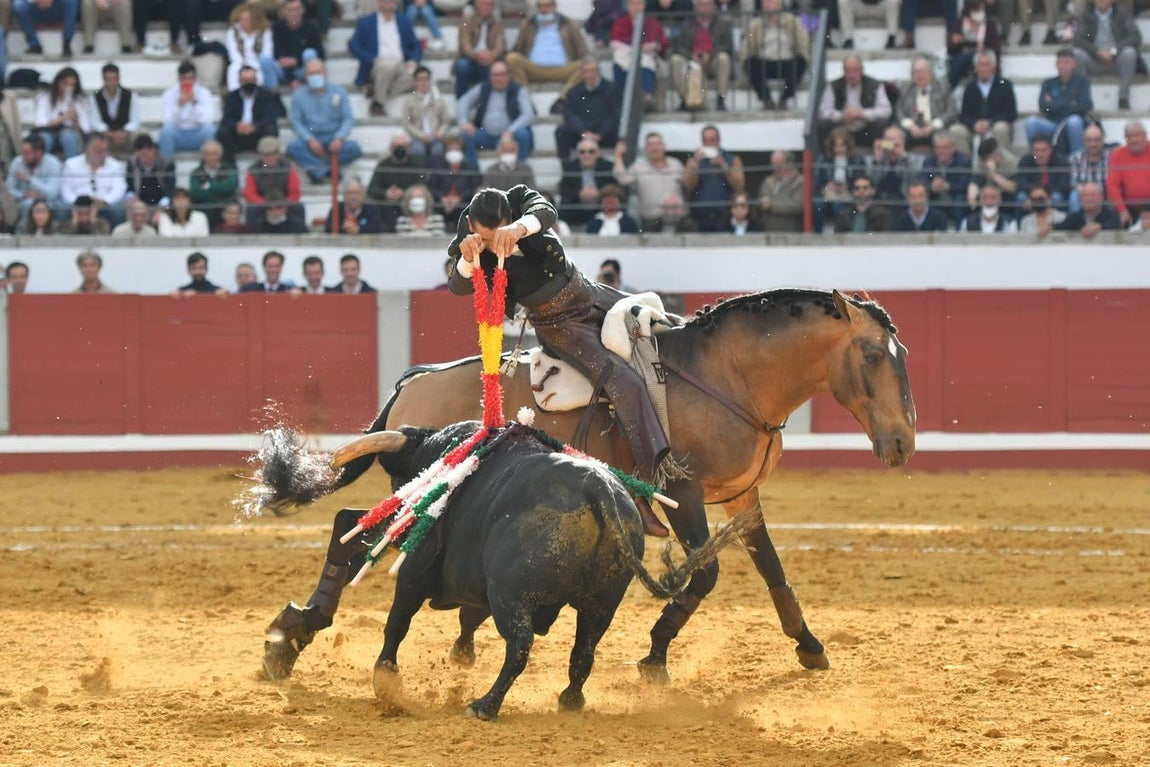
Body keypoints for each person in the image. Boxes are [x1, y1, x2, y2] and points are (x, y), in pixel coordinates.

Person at [446, 185, 676, 501]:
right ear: (472, 226)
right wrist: (468, 258)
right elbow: (457, 286)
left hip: (591, 293)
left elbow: (545, 212)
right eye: (486, 237)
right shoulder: (468, 238)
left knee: (668, 327)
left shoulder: (518, 201)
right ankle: (650, 481)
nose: (494, 243)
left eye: (500, 232)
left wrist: (517, 229)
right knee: (625, 382)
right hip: (560, 326)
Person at [286, 58, 363, 183]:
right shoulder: (298, 96)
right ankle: (328, 171)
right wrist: (309, 139)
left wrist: (340, 137)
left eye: (318, 72)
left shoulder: (339, 92)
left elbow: (348, 118)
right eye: (311, 73)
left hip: (334, 137)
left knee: (355, 149)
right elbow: (296, 122)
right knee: (294, 148)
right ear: (306, 76)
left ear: (325, 73)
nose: (315, 76)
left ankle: (317, 169)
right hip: (311, 138)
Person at [505, 0, 589, 106]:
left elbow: (583, 51)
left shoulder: (569, 24)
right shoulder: (528, 24)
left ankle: (563, 100)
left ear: (555, 6)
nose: (544, 9)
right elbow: (517, 49)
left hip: (563, 70)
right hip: (534, 69)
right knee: (512, 59)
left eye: (547, 5)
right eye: (540, 6)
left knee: (585, 65)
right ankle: (525, 100)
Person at [349, 0, 422, 117]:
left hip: (400, 64)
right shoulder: (366, 22)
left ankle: (376, 94)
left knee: (417, 76)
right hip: (378, 65)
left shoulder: (403, 20)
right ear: (378, 2)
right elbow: (354, 46)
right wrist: (372, 59)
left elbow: (416, 44)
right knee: (387, 67)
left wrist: (413, 60)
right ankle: (378, 105)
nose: (388, 1)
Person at [456, 60, 535, 168]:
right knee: (465, 134)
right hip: (486, 136)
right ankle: (473, 173)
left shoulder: (519, 90)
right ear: (490, 76)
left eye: (502, 74)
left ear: (509, 75)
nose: (498, 78)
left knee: (523, 135)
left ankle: (519, 171)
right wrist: (464, 122)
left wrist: (511, 130)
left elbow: (528, 114)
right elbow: (463, 102)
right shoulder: (483, 88)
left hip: (510, 138)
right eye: (495, 75)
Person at [741, 0, 809, 112]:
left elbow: (803, 42)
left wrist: (803, 54)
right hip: (765, 61)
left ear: (780, 5)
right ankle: (766, 99)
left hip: (787, 61)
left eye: (771, 2)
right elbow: (748, 45)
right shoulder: (756, 24)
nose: (768, 6)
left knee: (800, 61)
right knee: (750, 63)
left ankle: (784, 98)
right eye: (766, 3)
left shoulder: (793, 21)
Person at [1073, 0, 1141, 111]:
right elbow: (1078, 40)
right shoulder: (1086, 15)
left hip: (1117, 59)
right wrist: (1096, 51)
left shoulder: (1122, 13)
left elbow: (1135, 37)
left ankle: (1123, 98)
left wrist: (1114, 51)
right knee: (1077, 54)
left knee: (1129, 53)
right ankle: (1083, 98)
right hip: (1094, 59)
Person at [817, 54, 892, 152]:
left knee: (881, 123)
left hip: (866, 130)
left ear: (862, 70)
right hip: (841, 130)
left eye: (855, 70)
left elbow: (886, 110)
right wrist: (841, 116)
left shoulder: (875, 85)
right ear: (843, 71)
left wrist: (862, 114)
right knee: (823, 124)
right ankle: (826, 160)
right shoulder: (834, 86)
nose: (851, 75)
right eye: (848, 71)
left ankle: (879, 160)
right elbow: (824, 111)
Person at [1024, 50, 1092, 157]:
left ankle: (1077, 159)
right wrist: (1070, 103)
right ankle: (1035, 157)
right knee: (1031, 122)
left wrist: (1055, 104)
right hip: (1052, 123)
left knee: (1074, 121)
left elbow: (1085, 106)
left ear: (1074, 64)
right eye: (1060, 62)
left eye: (1066, 62)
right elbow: (1044, 107)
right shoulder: (1048, 83)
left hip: (1072, 124)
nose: (1062, 66)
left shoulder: (1082, 81)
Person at [613, 132, 684, 232]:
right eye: (650, 145)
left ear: (663, 147)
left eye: (658, 144)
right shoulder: (638, 166)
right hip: (652, 221)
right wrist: (618, 156)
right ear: (645, 149)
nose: (655, 148)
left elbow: (688, 185)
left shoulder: (676, 164)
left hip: (677, 219)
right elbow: (623, 179)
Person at [670, 0, 732, 112]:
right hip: (692, 62)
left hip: (712, 62)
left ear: (714, 7)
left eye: (708, 5)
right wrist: (691, 56)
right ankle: (684, 99)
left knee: (724, 57)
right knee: (676, 59)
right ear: (696, 8)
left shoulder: (723, 24)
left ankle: (721, 98)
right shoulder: (687, 24)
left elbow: (727, 46)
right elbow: (679, 47)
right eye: (702, 5)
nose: (705, 8)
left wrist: (711, 55)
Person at [951, 50, 1016, 157]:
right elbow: (964, 115)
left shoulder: (1005, 85)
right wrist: (974, 124)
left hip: (996, 126)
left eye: (986, 65)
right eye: (980, 65)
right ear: (975, 68)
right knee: (956, 130)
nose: (983, 68)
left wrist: (990, 122)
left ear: (993, 66)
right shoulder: (970, 88)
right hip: (974, 128)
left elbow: (1011, 113)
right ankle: (965, 169)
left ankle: (1002, 168)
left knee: (1000, 128)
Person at [683, 124, 745, 233]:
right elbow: (688, 186)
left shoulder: (733, 160)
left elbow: (739, 186)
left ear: (719, 140)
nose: (710, 144)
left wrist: (725, 166)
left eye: (713, 140)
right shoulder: (693, 161)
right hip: (700, 217)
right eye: (706, 141)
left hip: (725, 217)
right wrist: (695, 164)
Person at [217, 65, 286, 163]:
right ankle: (230, 167)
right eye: (245, 80)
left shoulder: (266, 95)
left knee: (271, 130)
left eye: (251, 80)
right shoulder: (232, 96)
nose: (249, 83)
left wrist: (255, 126)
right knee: (223, 132)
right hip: (238, 135)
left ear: (256, 80)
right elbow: (226, 118)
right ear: (239, 81)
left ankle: (267, 166)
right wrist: (237, 125)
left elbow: (270, 118)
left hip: (258, 134)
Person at [555, 56, 618, 161]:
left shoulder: (611, 89)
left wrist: (600, 134)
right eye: (586, 72)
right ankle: (566, 169)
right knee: (561, 132)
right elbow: (569, 114)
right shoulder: (574, 91)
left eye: (592, 71)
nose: (589, 75)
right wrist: (583, 133)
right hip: (582, 133)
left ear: (598, 72)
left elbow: (615, 115)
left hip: (605, 133)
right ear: (581, 74)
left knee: (622, 134)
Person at [610, 0, 667, 113]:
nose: (636, 7)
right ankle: (621, 97)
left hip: (647, 55)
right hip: (627, 53)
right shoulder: (621, 22)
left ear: (644, 6)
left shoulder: (652, 22)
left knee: (646, 60)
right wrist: (635, 48)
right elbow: (615, 42)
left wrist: (653, 45)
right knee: (618, 59)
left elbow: (662, 42)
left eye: (639, 4)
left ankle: (648, 96)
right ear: (628, 6)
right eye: (633, 4)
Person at [59, 134, 128, 228]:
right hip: (77, 204)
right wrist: (79, 202)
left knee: (118, 210)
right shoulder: (71, 165)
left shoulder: (116, 166)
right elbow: (66, 190)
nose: (102, 154)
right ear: (88, 148)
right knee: (61, 209)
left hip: (104, 205)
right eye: (98, 150)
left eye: (104, 150)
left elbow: (119, 189)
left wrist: (105, 201)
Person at [368, 133, 429, 232]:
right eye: (397, 146)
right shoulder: (383, 165)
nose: (400, 149)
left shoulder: (417, 163)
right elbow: (371, 189)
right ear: (391, 148)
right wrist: (386, 193)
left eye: (403, 146)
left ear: (409, 148)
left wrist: (405, 193)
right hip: (387, 206)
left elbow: (423, 183)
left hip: (409, 202)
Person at [896, 56, 958, 152]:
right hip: (912, 128)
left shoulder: (943, 87)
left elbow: (952, 111)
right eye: (916, 72)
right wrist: (910, 126)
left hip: (936, 127)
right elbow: (899, 112)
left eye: (923, 72)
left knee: (945, 137)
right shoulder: (905, 88)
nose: (920, 76)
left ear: (931, 74)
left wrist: (933, 126)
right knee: (894, 135)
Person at [158, 60, 218, 160]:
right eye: (184, 79)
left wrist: (194, 104)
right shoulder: (169, 94)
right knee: (165, 133)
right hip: (178, 134)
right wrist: (179, 105)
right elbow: (167, 121)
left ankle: (206, 171)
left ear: (195, 78)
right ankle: (167, 170)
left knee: (211, 130)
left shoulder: (204, 93)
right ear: (179, 79)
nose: (187, 82)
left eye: (190, 79)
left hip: (198, 133)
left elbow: (207, 120)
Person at [243, 136, 303, 228]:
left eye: (271, 154)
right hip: (263, 205)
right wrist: (266, 205)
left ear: (277, 154)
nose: (267, 158)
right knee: (251, 210)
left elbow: (294, 192)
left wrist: (282, 206)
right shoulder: (253, 169)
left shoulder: (288, 168)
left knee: (298, 208)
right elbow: (249, 194)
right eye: (264, 155)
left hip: (284, 204)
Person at [33, 67, 92, 159]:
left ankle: (72, 168)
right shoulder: (45, 97)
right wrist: (64, 117)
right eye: (65, 84)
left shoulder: (80, 100)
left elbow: (86, 128)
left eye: (72, 85)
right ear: (58, 82)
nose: (68, 88)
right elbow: (41, 123)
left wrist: (76, 122)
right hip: (48, 133)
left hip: (69, 134)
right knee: (45, 139)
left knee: (68, 137)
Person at [558, 137, 618, 227]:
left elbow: (615, 187)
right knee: (564, 202)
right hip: (578, 207)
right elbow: (564, 189)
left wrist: (599, 193)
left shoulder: (607, 166)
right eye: (582, 152)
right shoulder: (570, 167)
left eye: (591, 151)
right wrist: (579, 194)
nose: (587, 155)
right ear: (578, 154)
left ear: (597, 153)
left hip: (600, 206)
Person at [401, 65, 453, 164]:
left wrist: (441, 132)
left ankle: (436, 178)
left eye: (426, 79)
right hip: (418, 137)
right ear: (415, 81)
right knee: (417, 151)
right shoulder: (409, 100)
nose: (423, 82)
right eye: (420, 79)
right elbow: (406, 122)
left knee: (437, 151)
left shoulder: (439, 99)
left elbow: (446, 120)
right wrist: (420, 135)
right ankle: (421, 178)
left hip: (436, 137)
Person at [454, 0, 505, 98]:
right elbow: (465, 45)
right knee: (461, 66)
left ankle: (486, 103)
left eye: (491, 4)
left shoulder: (498, 24)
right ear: (477, 5)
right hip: (471, 60)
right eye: (485, 4)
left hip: (489, 61)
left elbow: (500, 46)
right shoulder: (466, 22)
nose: (488, 7)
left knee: (491, 67)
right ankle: (462, 102)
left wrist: (492, 54)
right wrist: (477, 55)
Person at [428, 136, 481, 229]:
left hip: (463, 202)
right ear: (445, 152)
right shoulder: (438, 167)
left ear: (462, 151)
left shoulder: (470, 167)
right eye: (451, 149)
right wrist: (442, 198)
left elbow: (474, 187)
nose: (454, 152)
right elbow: (432, 187)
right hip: (441, 202)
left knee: (465, 209)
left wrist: (459, 198)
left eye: (457, 149)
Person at [920, 130, 971, 227]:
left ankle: (959, 230)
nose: (941, 151)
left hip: (954, 196)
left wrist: (946, 186)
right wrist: (931, 187)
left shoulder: (963, 161)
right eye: (938, 148)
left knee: (960, 200)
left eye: (945, 148)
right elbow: (924, 180)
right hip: (935, 196)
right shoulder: (928, 161)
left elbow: (964, 185)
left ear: (953, 148)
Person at [946, 0, 1002, 88]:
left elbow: (995, 49)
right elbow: (950, 50)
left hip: (983, 57)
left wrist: (983, 48)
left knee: (976, 60)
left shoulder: (989, 25)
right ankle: (949, 88)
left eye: (981, 9)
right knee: (962, 59)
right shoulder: (960, 23)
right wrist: (954, 42)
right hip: (962, 60)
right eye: (977, 10)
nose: (979, 12)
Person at [8, 134, 63, 224]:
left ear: (38, 153)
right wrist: (23, 195)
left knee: (45, 208)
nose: (23, 157)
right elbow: (9, 190)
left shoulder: (53, 163)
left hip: (48, 203)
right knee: (27, 204)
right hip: (23, 202)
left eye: (27, 153)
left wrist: (29, 179)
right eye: (23, 153)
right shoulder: (17, 162)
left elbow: (52, 193)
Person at [1105, 121, 1150, 228]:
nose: (1133, 140)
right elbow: (1112, 185)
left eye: (1137, 135)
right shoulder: (1118, 155)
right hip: (1130, 208)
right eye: (1129, 137)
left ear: (1145, 135)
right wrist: (1122, 210)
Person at [225, 2, 279, 91]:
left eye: (246, 19)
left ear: (254, 20)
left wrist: (253, 68)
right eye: (240, 19)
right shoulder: (233, 32)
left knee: (260, 71)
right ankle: (234, 95)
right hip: (240, 63)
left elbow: (267, 53)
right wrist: (244, 67)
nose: (242, 22)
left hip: (258, 63)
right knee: (233, 69)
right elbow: (233, 52)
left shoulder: (265, 31)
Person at [92, 63, 141, 158]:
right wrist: (111, 134)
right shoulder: (95, 96)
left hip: (126, 134)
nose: (111, 83)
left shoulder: (131, 95)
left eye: (114, 79)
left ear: (119, 79)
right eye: (108, 79)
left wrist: (124, 133)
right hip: (106, 135)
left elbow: (135, 120)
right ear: (103, 79)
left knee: (142, 135)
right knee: (95, 139)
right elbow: (95, 122)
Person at [273, 0, 325, 88]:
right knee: (265, 61)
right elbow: (277, 55)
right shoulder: (277, 29)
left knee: (310, 53)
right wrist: (291, 80)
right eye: (290, 10)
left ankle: (311, 87)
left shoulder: (311, 28)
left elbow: (321, 55)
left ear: (302, 11)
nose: (293, 14)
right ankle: (272, 95)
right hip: (282, 71)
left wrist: (296, 60)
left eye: (296, 10)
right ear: (285, 12)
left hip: (303, 70)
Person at [189, 141, 239, 226]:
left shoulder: (229, 169)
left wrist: (207, 187)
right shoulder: (196, 172)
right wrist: (219, 188)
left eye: (214, 154)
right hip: (204, 208)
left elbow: (229, 187)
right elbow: (196, 192)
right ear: (203, 156)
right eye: (207, 154)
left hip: (224, 206)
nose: (211, 157)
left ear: (220, 155)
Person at [1016, 135, 1070, 210]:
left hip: (1053, 193)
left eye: (1044, 150)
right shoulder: (1025, 161)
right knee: (1021, 197)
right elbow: (1021, 184)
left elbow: (1063, 185)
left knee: (1057, 198)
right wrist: (1036, 194)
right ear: (1032, 151)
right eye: (1037, 150)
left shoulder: (1061, 161)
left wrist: (1045, 195)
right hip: (1032, 193)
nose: (1040, 155)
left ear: (1051, 150)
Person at [756, 150, 804, 232]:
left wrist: (772, 205)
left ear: (789, 163)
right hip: (767, 231)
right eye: (773, 164)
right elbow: (759, 202)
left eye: (779, 165)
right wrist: (761, 204)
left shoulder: (800, 181)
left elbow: (797, 206)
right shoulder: (768, 181)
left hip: (790, 232)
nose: (776, 168)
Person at [125, 133, 177, 209]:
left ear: (153, 150)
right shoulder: (132, 164)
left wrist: (161, 209)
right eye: (140, 155)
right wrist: (132, 198)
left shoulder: (166, 164)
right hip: (139, 203)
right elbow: (130, 186)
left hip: (161, 202)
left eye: (146, 154)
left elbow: (170, 189)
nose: (143, 158)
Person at [1052, 181, 1120, 237]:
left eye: (1093, 195)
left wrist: (1098, 226)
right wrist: (1049, 228)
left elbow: (1116, 224)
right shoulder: (1074, 218)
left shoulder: (1112, 216)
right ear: (1080, 198)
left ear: (1101, 198)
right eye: (1085, 195)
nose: (1089, 198)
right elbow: (1060, 227)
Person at [13, 0, 79, 56]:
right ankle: (34, 45)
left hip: (56, 7)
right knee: (19, 5)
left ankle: (67, 42)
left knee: (71, 1)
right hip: (34, 8)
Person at [1069, 124, 1110, 214]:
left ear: (1103, 140)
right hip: (1085, 199)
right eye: (1089, 140)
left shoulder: (1112, 158)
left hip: (1106, 197)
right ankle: (1077, 226)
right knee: (1074, 196)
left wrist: (1099, 195)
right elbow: (1074, 183)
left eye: (1097, 140)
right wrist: (1091, 194)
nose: (1093, 144)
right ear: (1083, 141)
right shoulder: (1075, 159)